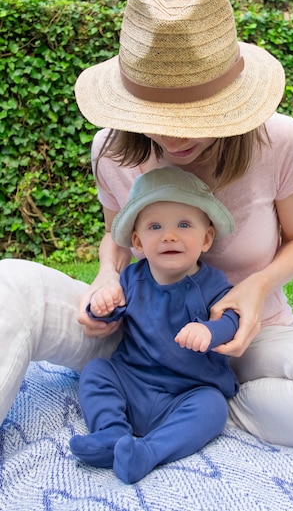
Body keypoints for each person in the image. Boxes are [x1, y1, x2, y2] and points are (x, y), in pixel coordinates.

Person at [0, 0, 293, 453]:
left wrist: (254, 289)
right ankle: (163, 399)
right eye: (156, 114)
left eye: (198, 112)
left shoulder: (282, 140)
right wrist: (107, 276)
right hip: (134, 339)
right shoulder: (109, 147)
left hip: (246, 342)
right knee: (12, 283)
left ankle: (200, 409)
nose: (174, 137)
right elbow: (118, 234)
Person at [69, 167, 239, 483]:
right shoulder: (132, 278)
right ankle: (110, 434)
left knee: (213, 408)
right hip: (133, 380)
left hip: (187, 390)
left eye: (184, 225)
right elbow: (110, 313)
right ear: (137, 240)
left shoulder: (213, 283)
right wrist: (102, 307)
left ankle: (147, 452)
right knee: (97, 372)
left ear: (206, 238)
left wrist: (209, 331)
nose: (169, 235)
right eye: (155, 226)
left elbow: (232, 319)